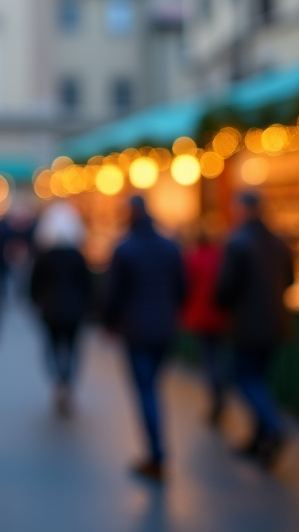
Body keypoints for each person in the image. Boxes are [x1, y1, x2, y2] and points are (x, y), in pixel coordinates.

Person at [103, 195, 185, 481]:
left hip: (137, 330)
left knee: (146, 391)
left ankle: (156, 454)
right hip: (164, 328)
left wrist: (108, 324)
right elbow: (181, 288)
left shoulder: (125, 249)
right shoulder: (171, 246)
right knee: (154, 388)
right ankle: (156, 452)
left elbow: (112, 294)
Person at [215, 190, 295, 469]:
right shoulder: (280, 242)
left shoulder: (237, 243)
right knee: (260, 378)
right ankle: (259, 439)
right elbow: (291, 279)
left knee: (246, 378)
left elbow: (225, 288)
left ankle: (273, 428)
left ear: (243, 210)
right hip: (276, 323)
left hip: (247, 324)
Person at [28, 202, 93, 416]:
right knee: (73, 348)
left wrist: (36, 303)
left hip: (50, 309)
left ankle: (58, 381)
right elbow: (87, 285)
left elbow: (33, 285)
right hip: (74, 310)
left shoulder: (44, 257)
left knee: (52, 347)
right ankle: (68, 382)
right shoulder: (78, 256)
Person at [180, 227, 228, 425]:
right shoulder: (220, 258)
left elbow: (184, 287)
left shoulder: (192, 259)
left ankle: (217, 399)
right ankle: (220, 396)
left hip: (201, 316)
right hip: (221, 316)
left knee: (209, 359)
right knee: (218, 357)